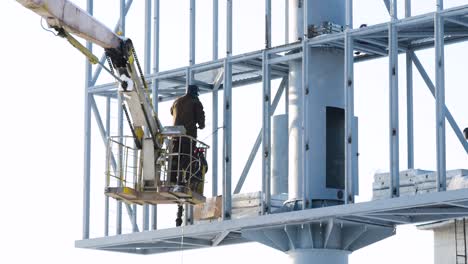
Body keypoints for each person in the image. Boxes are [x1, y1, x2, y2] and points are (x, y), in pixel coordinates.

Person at [169, 84, 205, 187]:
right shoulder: (195, 102)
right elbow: (200, 117)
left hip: (175, 135)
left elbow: (172, 112)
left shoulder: (177, 101)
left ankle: (172, 178)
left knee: (175, 156)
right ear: (195, 93)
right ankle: (183, 180)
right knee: (186, 157)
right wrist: (201, 125)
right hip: (188, 135)